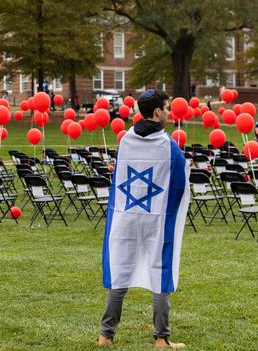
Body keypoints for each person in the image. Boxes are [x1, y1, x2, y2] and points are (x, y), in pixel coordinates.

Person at [99, 89, 190, 349]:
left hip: (126, 216)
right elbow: (179, 183)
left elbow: (119, 178)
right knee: (159, 273)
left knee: (120, 272)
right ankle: (161, 339)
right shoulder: (168, 146)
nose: (170, 112)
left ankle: (105, 335)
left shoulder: (125, 139)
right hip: (156, 219)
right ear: (158, 111)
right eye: (167, 107)